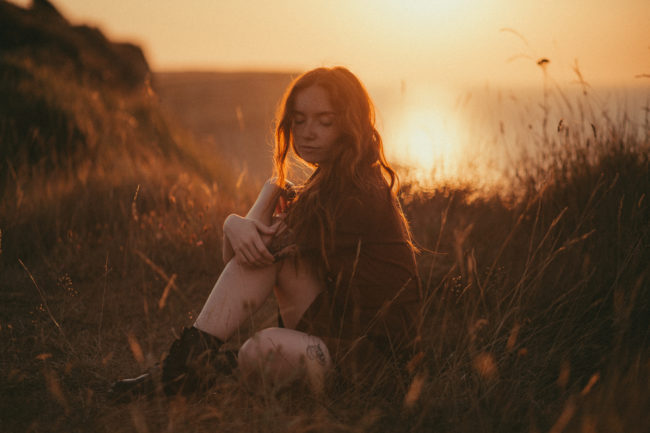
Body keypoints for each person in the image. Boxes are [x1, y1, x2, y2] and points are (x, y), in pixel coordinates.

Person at [111, 66, 422, 398]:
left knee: (259, 350)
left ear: (350, 125)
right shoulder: (329, 180)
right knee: (271, 274)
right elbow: (241, 259)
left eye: (324, 121)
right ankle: (183, 370)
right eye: (299, 120)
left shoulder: (355, 191)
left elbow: (248, 252)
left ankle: (192, 369)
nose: (308, 132)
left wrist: (234, 221)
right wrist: (268, 193)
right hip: (343, 326)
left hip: (377, 363)